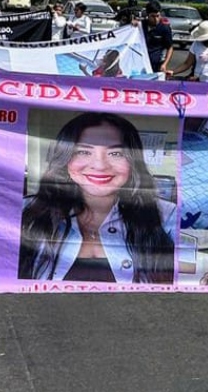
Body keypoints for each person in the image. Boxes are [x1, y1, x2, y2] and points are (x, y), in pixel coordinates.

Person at [18, 113, 176, 284]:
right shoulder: (25, 211)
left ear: (133, 161)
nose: (100, 165)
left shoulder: (167, 215)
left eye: (116, 153)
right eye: (84, 151)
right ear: (65, 159)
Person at [140, 1, 174, 74]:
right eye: (153, 16)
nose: (156, 19)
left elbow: (170, 48)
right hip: (141, 64)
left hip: (157, 65)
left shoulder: (164, 28)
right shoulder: (141, 26)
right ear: (147, 15)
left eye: (158, 16)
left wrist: (165, 64)